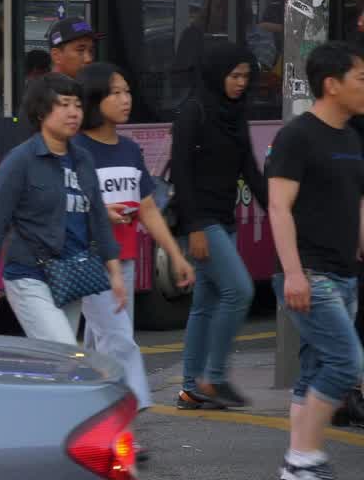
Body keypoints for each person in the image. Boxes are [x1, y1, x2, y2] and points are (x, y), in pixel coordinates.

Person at [76, 63, 195, 433]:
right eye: (116, 93)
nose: (126, 99)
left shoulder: (129, 149)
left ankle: (87, 424)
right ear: (95, 98)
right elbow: (63, 202)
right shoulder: (77, 149)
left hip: (123, 259)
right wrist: (98, 211)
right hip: (89, 259)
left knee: (97, 347)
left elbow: (147, 208)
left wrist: (176, 255)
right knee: (119, 341)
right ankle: (128, 414)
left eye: (127, 91)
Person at [267, 42, 364, 480]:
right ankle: (306, 457)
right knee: (347, 362)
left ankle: (295, 465)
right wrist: (292, 274)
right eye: (360, 78)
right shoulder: (298, 135)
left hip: (344, 274)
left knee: (315, 368)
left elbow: (355, 199)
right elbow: (278, 207)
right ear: (332, 84)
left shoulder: (350, 135)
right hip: (310, 272)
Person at [0, 73, 126, 345]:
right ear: (42, 112)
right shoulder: (20, 161)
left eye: (77, 105)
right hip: (30, 276)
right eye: (64, 104)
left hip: (71, 276)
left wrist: (114, 271)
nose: (73, 113)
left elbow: (98, 217)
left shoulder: (82, 159)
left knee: (56, 366)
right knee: (65, 354)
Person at [171, 40, 269, 410]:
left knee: (205, 304)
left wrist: (278, 214)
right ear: (216, 75)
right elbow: (180, 172)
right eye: (234, 75)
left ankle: (189, 387)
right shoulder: (192, 112)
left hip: (225, 220)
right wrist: (194, 226)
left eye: (246, 76)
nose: (241, 83)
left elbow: (251, 173)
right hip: (202, 221)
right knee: (240, 291)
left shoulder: (235, 116)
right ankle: (214, 377)